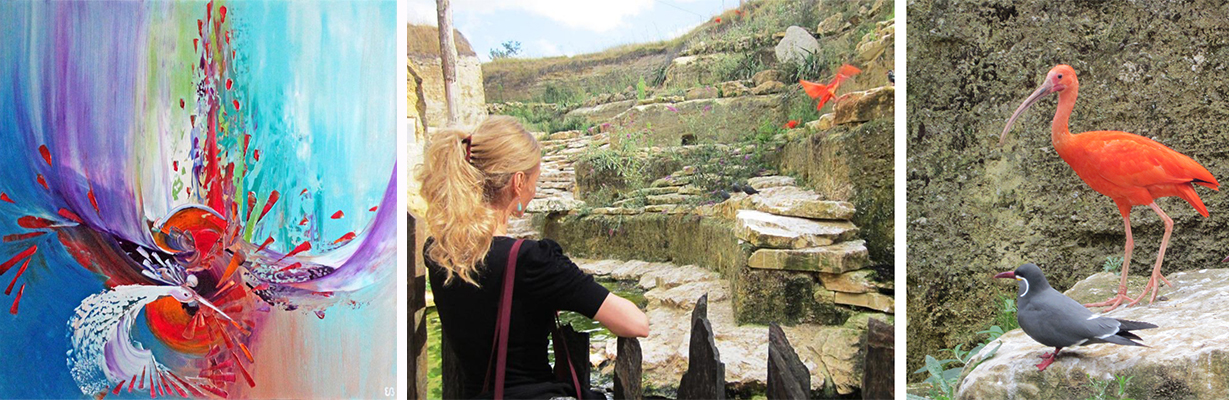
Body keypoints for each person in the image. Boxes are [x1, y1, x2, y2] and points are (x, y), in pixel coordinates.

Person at [419, 116, 650, 399]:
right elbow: (635, 323)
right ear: (518, 182)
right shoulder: (531, 261)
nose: (534, 191)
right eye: (534, 180)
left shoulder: (439, 253)